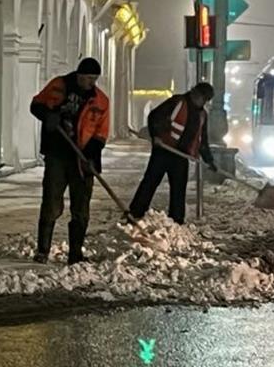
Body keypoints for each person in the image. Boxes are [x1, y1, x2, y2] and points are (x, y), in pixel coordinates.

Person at [29, 57, 110, 265]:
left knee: (81, 207)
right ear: (79, 75)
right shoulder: (59, 85)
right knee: (51, 203)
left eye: (95, 78)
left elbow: (101, 134)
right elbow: (36, 104)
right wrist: (49, 115)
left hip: (83, 159)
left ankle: (75, 253)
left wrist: (91, 157)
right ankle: (42, 251)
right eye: (88, 78)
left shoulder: (100, 101)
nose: (92, 83)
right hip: (58, 154)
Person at [129, 82, 217, 224]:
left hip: (181, 156)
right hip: (163, 150)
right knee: (150, 182)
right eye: (200, 96)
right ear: (194, 93)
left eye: (204, 99)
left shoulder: (202, 115)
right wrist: (156, 135)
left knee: (178, 188)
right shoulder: (177, 102)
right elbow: (154, 116)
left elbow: (202, 140)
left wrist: (209, 160)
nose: (200, 101)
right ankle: (135, 213)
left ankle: (176, 220)